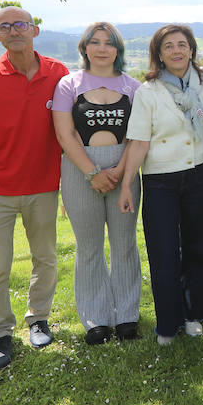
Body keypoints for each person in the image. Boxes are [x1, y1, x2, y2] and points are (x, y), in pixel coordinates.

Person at [0, 5, 69, 370]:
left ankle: (38, 318)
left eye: (20, 24)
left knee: (46, 257)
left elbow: (68, 130)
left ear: (34, 30)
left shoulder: (58, 73)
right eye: (4, 26)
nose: (13, 31)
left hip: (44, 186)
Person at [118, 25, 203, 345]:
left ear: (191, 49)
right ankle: (168, 322)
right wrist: (126, 185)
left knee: (199, 248)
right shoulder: (148, 91)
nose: (176, 50)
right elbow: (139, 142)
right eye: (168, 46)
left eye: (182, 44)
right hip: (160, 180)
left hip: (199, 174)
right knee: (164, 252)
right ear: (159, 54)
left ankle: (194, 314)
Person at [52, 22, 143, 345]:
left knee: (124, 244)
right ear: (85, 48)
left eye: (109, 43)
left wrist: (120, 171)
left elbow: (137, 135)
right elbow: (65, 134)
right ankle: (96, 319)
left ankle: (127, 316)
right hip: (80, 169)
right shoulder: (69, 84)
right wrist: (93, 172)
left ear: (118, 49)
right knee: (89, 246)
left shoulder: (133, 87)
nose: (102, 48)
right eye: (95, 42)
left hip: (124, 169)